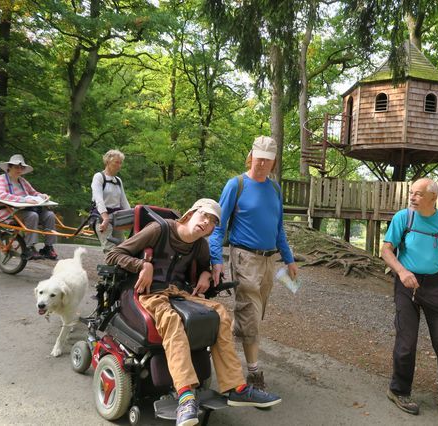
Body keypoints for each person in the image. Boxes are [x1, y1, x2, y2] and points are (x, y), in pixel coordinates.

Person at [106, 198, 281, 426]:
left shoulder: (200, 244)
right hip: (149, 293)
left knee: (220, 313)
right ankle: (186, 396)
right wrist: (143, 265)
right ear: (190, 214)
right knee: (172, 320)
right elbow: (113, 254)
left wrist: (206, 274)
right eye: (204, 216)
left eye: (212, 222)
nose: (206, 223)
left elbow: (205, 266)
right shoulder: (160, 229)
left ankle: (236, 387)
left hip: (179, 293)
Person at [209, 135, 298, 390]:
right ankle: (253, 372)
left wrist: (289, 260)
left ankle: (218, 336)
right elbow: (218, 226)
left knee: (254, 314)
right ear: (251, 156)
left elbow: (279, 228)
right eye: (258, 159)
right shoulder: (235, 185)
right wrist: (216, 259)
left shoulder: (275, 189)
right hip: (244, 257)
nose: (262, 165)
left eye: (267, 161)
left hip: (270, 261)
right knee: (250, 313)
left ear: (274, 162)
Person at [380, 177, 438, 424]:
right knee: (406, 341)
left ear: (433, 198)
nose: (412, 197)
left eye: (418, 194)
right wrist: (402, 271)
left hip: (435, 284)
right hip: (406, 284)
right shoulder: (403, 218)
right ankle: (398, 391)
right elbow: (386, 250)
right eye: (411, 193)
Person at [0, 154, 58, 260]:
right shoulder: (0, 180)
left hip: (23, 210)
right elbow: (0, 195)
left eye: (21, 167)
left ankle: (48, 247)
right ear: (9, 167)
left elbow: (34, 192)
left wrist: (42, 195)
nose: (19, 169)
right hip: (7, 211)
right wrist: (24, 199)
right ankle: (30, 248)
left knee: (49, 215)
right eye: (16, 167)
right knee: (32, 216)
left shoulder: (22, 181)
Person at [90, 149, 130, 252]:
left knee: (123, 248)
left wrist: (133, 216)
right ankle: (112, 267)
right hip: (101, 217)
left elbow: (123, 201)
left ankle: (120, 267)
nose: (119, 166)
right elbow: (98, 199)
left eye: (121, 163)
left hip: (117, 217)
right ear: (108, 162)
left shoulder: (118, 180)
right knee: (110, 249)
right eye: (117, 162)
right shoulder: (99, 177)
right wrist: (105, 218)